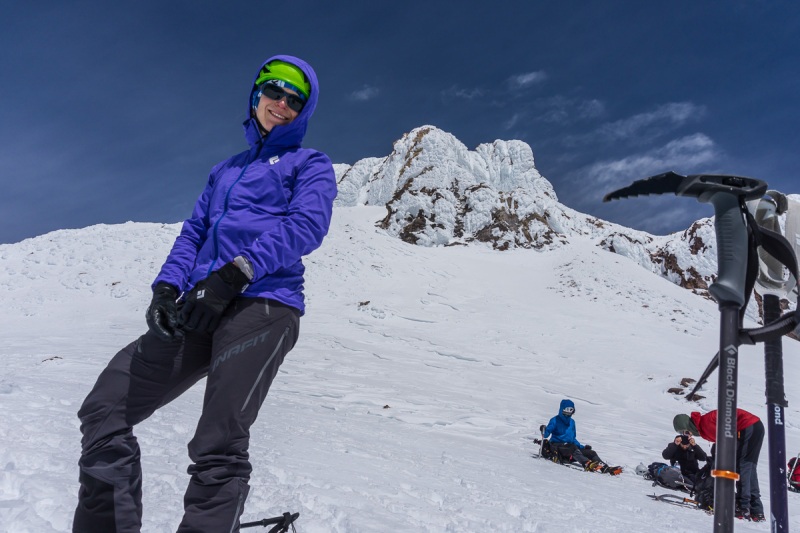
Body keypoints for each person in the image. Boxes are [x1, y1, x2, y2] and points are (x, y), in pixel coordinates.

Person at [72, 55, 338, 532]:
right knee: (106, 405)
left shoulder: (310, 163)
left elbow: (307, 226)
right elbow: (194, 232)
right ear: (257, 94)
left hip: (265, 303)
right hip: (201, 301)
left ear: (305, 110)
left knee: (219, 441)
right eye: (274, 91)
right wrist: (166, 288)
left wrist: (234, 274)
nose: (281, 103)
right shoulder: (225, 171)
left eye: (295, 99)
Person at [674, 409, 765, 522]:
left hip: (746, 427)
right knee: (749, 467)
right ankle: (756, 510)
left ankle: (743, 507)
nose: (687, 435)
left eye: (685, 431)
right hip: (755, 426)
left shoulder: (705, 424)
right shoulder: (704, 424)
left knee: (742, 468)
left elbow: (724, 443)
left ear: (688, 425)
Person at [542, 399, 622, 475]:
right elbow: (546, 434)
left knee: (591, 452)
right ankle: (587, 463)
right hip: (557, 447)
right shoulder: (555, 420)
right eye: (566, 410)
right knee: (572, 447)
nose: (568, 413)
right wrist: (544, 430)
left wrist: (583, 447)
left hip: (570, 448)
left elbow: (572, 439)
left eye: (571, 410)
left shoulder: (572, 422)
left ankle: (605, 468)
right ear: (562, 409)